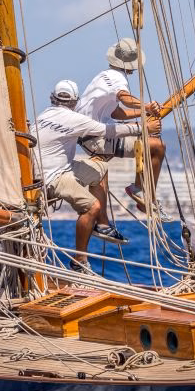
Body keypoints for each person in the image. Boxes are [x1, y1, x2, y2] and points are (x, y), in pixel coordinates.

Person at [34, 79, 160, 266]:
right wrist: (143, 128)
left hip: (57, 168)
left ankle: (102, 224)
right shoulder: (73, 119)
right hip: (53, 177)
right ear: (75, 101)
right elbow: (107, 131)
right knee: (92, 207)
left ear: (53, 98)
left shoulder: (43, 115)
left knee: (101, 167)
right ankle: (80, 260)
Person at [76, 37, 168, 223]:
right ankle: (140, 192)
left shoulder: (103, 77)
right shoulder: (117, 78)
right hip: (96, 138)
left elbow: (116, 112)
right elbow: (124, 97)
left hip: (90, 134)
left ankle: (111, 215)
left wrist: (144, 114)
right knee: (157, 146)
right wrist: (146, 107)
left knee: (149, 139)